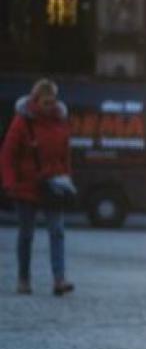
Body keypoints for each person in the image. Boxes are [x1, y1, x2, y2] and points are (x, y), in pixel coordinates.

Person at [1, 78, 76, 296]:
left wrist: (67, 178)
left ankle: (59, 280)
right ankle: (23, 280)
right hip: (26, 186)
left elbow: (65, 154)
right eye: (46, 102)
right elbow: (7, 154)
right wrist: (9, 183)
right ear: (35, 101)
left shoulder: (60, 121)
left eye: (53, 101)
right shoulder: (22, 122)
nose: (50, 106)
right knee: (26, 234)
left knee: (57, 231)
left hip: (53, 185)